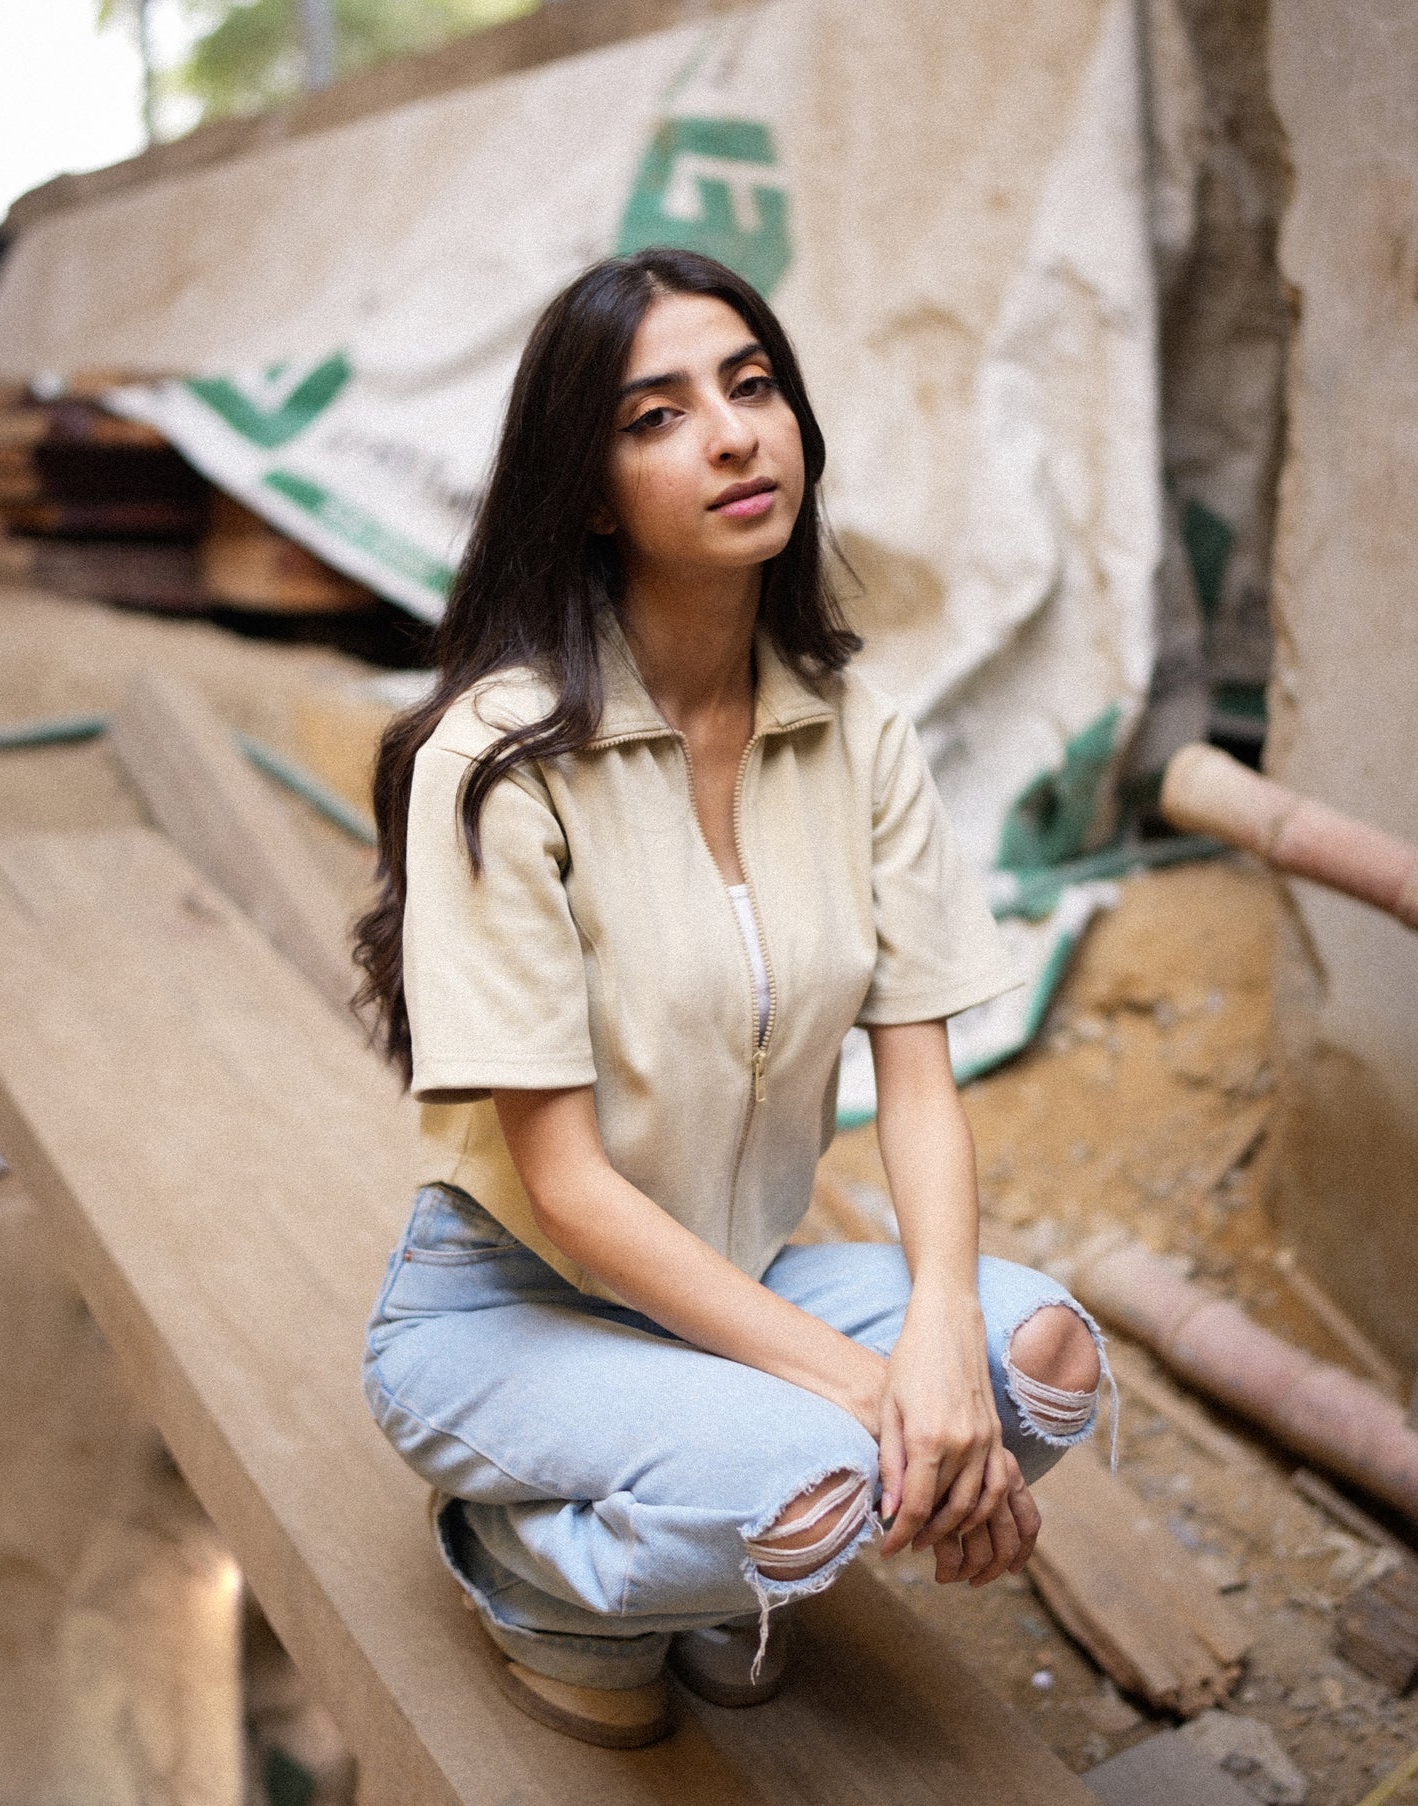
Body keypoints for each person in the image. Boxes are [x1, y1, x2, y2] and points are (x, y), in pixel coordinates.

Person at [354, 247, 1110, 1749]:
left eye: (750, 385)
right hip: (511, 1301)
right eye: (655, 415)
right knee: (821, 1474)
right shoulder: (498, 760)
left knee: (1043, 1361)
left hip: (736, 1277)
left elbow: (915, 1084)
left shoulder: (855, 730)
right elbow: (563, 1183)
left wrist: (943, 1338)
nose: (730, 434)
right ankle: (534, 1573)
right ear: (583, 489)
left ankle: (712, 1529)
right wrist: (872, 1393)